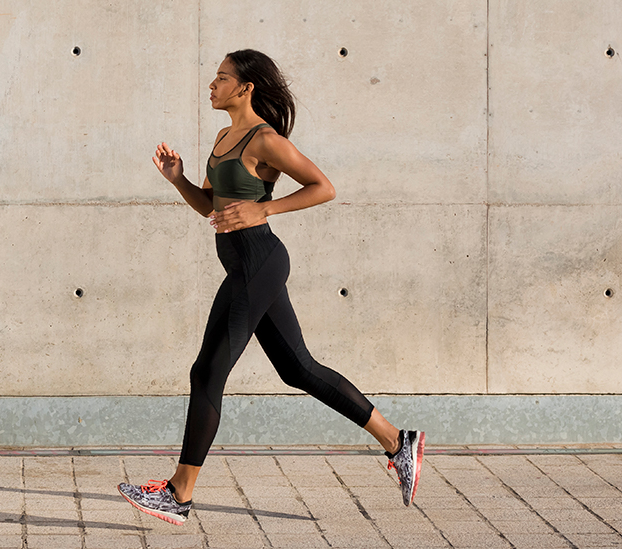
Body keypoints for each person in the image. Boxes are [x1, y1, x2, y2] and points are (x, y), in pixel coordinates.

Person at [117, 49, 425, 526]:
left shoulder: (265, 139)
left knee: (206, 373)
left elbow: (323, 186)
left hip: (258, 263)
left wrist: (267, 209)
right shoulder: (223, 138)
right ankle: (397, 441)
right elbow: (209, 208)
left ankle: (180, 494)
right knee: (298, 369)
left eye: (221, 78)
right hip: (244, 268)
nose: (212, 84)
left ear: (245, 88)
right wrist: (178, 180)